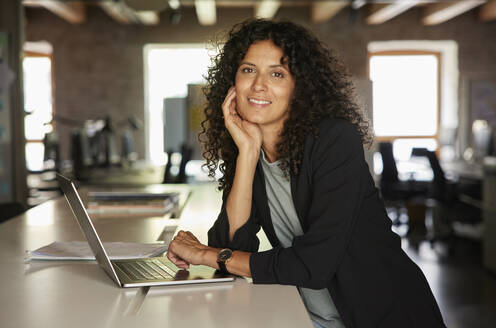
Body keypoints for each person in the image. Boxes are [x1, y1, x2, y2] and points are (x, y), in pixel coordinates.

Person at [166, 19, 446, 328]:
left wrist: (208, 255)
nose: (259, 84)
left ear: (301, 86)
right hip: (313, 318)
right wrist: (247, 154)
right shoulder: (249, 146)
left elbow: (313, 264)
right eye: (248, 70)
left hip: (385, 314)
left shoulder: (334, 141)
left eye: (277, 73)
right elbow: (231, 248)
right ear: (232, 82)